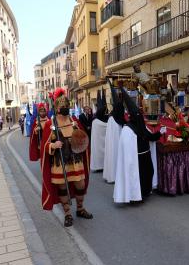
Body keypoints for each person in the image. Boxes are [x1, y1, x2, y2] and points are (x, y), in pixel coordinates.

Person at [40, 88, 92, 227]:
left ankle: (80, 209)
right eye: (62, 107)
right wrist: (53, 145)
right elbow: (45, 146)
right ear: (56, 108)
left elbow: (82, 137)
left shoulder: (73, 120)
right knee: (62, 188)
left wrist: (79, 139)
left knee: (80, 185)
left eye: (66, 106)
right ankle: (67, 214)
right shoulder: (50, 124)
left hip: (76, 160)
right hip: (59, 162)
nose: (65, 108)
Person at [114, 88, 166, 203]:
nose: (140, 117)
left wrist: (160, 132)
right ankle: (136, 195)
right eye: (137, 115)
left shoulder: (141, 126)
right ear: (133, 116)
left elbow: (149, 137)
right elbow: (126, 150)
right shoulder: (127, 129)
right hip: (136, 159)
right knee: (138, 177)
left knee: (149, 173)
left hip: (146, 156)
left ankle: (145, 192)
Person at [103, 85, 125, 183]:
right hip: (114, 145)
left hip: (118, 145)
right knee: (114, 157)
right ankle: (113, 176)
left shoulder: (118, 119)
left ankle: (117, 176)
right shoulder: (112, 120)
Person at [90, 89, 108, 171]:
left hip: (101, 142)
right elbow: (106, 126)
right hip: (99, 143)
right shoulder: (96, 122)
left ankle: (101, 166)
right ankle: (99, 166)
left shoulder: (95, 121)